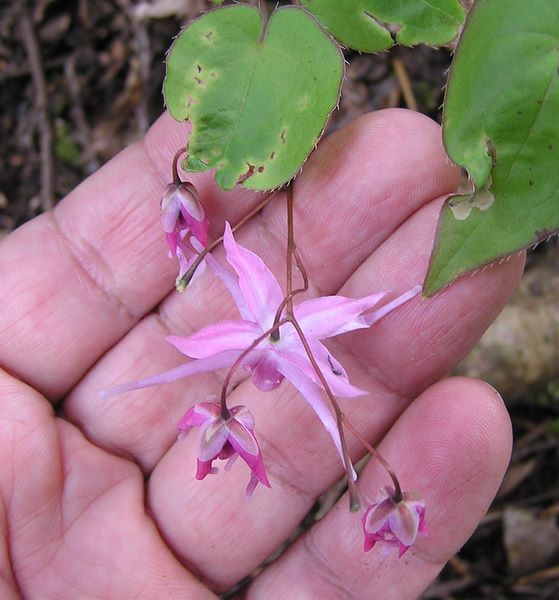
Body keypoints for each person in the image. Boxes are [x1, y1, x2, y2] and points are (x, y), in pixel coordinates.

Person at [0, 108, 523, 598]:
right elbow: (250, 320)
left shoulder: (281, 335)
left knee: (364, 330)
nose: (262, 377)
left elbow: (341, 332)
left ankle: (421, 285)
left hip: (292, 323)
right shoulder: (260, 338)